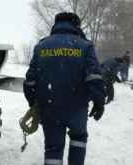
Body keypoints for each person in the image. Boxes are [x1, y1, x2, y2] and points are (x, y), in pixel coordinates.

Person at [23, 12, 106, 165]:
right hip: (77, 108)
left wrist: (33, 102)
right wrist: (99, 101)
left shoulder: (41, 46)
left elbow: (30, 81)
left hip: (49, 107)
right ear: (76, 26)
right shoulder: (85, 46)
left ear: (56, 25)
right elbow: (94, 76)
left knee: (53, 149)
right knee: (78, 139)